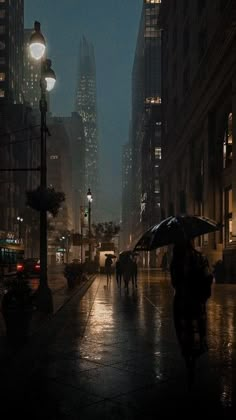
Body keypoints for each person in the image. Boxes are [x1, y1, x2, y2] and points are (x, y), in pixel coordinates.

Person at [170, 238, 213, 387]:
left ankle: (187, 357)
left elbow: (174, 282)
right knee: (196, 328)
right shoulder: (201, 258)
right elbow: (208, 279)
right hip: (196, 302)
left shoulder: (176, 260)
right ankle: (195, 355)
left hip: (181, 302)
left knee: (183, 329)